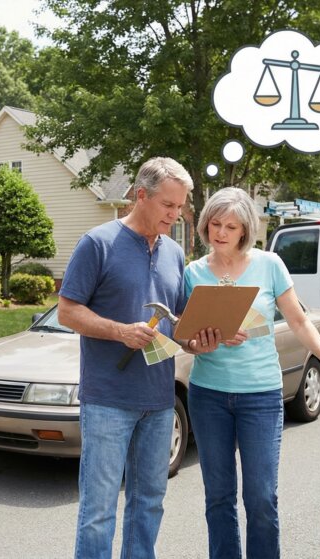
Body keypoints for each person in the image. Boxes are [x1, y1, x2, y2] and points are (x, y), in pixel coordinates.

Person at [184, 187, 320, 559]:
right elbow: (186, 338)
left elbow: (298, 320)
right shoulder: (193, 272)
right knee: (218, 496)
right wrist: (204, 341)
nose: (221, 233)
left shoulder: (270, 265)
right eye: (215, 224)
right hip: (208, 396)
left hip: (261, 397)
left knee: (261, 497)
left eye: (230, 226)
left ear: (245, 230)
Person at [59, 157, 222, 559]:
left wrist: (199, 341)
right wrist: (120, 331)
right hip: (108, 400)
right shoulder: (97, 243)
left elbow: (181, 319)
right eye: (169, 205)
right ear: (140, 195)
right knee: (98, 510)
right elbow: (67, 311)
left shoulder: (173, 252)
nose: (177, 214)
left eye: (181, 206)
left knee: (148, 502)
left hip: (159, 400)